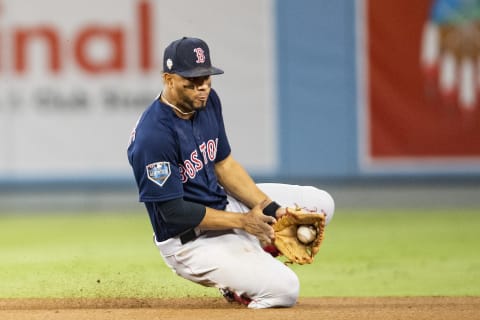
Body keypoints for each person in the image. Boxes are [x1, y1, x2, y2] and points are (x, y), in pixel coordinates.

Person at [127, 36, 335, 309]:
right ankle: (238, 284)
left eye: (206, 78)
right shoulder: (153, 137)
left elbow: (224, 165)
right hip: (190, 240)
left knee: (322, 205)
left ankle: (258, 250)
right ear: (168, 79)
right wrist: (243, 221)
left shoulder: (208, 101)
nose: (202, 88)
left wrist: (272, 210)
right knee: (285, 291)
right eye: (192, 82)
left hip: (227, 208)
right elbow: (173, 213)